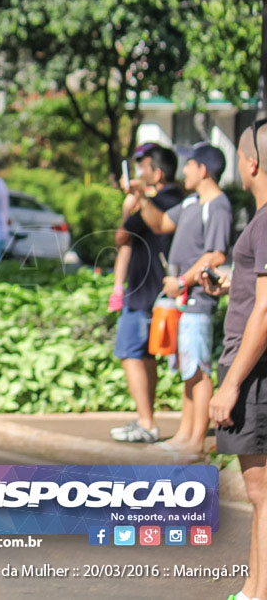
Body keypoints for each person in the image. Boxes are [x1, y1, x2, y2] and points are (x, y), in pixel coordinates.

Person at [135, 143, 232, 460]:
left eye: (189, 164)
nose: (185, 170)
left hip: (197, 299)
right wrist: (141, 197)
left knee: (199, 369)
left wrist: (182, 280)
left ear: (202, 169)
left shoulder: (217, 205)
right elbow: (161, 223)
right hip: (181, 300)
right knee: (187, 369)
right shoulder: (191, 201)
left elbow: (216, 254)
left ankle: (196, 442)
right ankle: (185, 434)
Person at [204, 123, 267, 600]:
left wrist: (230, 386)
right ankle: (252, 588)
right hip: (254, 370)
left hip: (255, 373)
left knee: (263, 494)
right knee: (260, 495)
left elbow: (266, 308)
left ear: (251, 163)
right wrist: (231, 282)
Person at [109, 145, 183, 443]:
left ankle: (146, 421)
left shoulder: (166, 199)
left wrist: (134, 203)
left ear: (158, 172)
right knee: (145, 356)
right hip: (152, 290)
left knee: (130, 353)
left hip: (144, 291)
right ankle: (145, 418)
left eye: (145, 168)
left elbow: (121, 236)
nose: (140, 173)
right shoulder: (173, 200)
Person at [108, 143, 157, 312]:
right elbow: (124, 236)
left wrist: (135, 199)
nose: (141, 169)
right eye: (139, 164)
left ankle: (118, 289)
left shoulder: (158, 195)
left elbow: (122, 236)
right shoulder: (137, 195)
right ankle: (118, 289)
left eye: (144, 164)